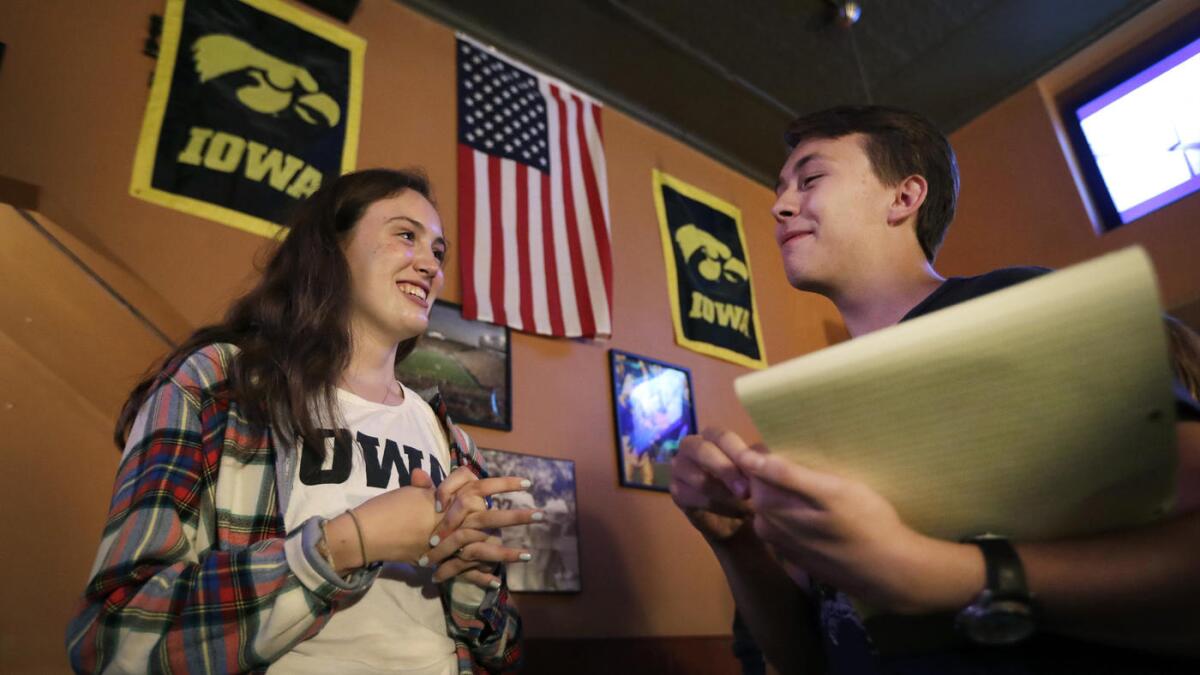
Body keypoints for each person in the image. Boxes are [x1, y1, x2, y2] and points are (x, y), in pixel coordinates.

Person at [669, 106, 1200, 673]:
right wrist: (735, 541)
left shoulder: (1015, 306)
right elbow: (805, 657)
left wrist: (931, 571)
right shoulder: (814, 405)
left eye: (811, 178)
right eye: (780, 189)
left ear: (903, 198)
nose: (780, 205)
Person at [66, 169, 537, 674]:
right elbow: (114, 637)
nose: (430, 266)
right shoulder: (220, 385)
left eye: (438, 252)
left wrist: (471, 579)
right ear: (330, 250)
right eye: (406, 235)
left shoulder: (453, 442)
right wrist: (351, 542)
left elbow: (500, 651)